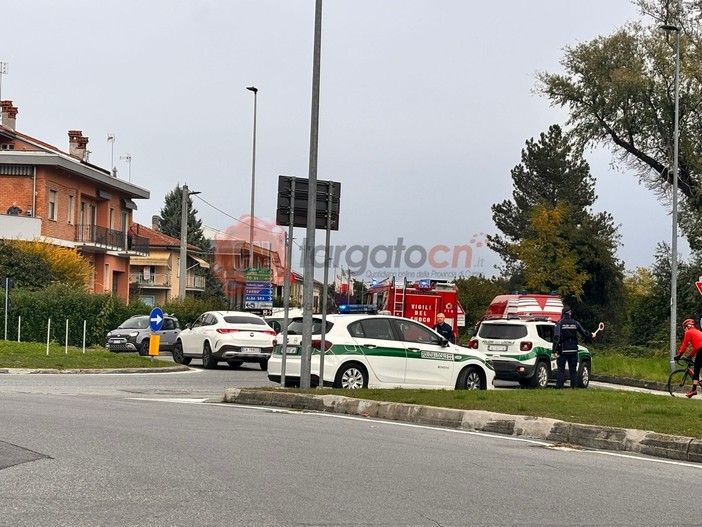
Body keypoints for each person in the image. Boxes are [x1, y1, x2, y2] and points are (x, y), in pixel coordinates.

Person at [552, 305, 595, 388]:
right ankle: (574, 387)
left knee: (561, 369)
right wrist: (591, 335)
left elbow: (556, 337)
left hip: (563, 350)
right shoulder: (575, 323)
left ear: (563, 313)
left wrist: (555, 350)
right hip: (573, 350)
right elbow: (584, 332)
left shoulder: (560, 323)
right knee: (573, 370)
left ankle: (559, 387)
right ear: (570, 313)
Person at [674, 318, 702, 398]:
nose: (684, 330)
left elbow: (684, 345)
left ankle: (693, 390)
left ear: (686, 326)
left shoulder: (688, 332)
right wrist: (690, 356)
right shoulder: (697, 332)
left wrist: (678, 356)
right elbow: (696, 347)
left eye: (684, 328)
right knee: (698, 366)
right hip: (700, 349)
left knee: (696, 370)